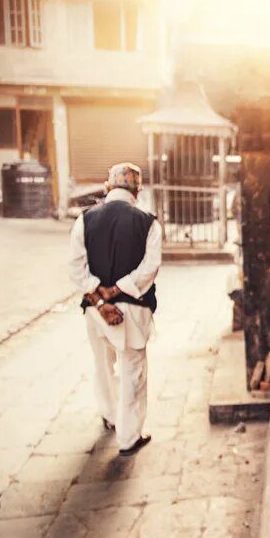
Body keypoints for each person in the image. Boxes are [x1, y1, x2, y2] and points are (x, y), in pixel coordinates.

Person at [68, 162, 159, 456]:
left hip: (96, 312)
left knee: (103, 365)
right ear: (137, 190)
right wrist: (118, 289)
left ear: (108, 188)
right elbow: (149, 269)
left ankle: (109, 416)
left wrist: (100, 300)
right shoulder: (148, 222)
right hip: (134, 309)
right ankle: (129, 437)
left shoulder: (84, 219)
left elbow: (76, 268)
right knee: (133, 371)